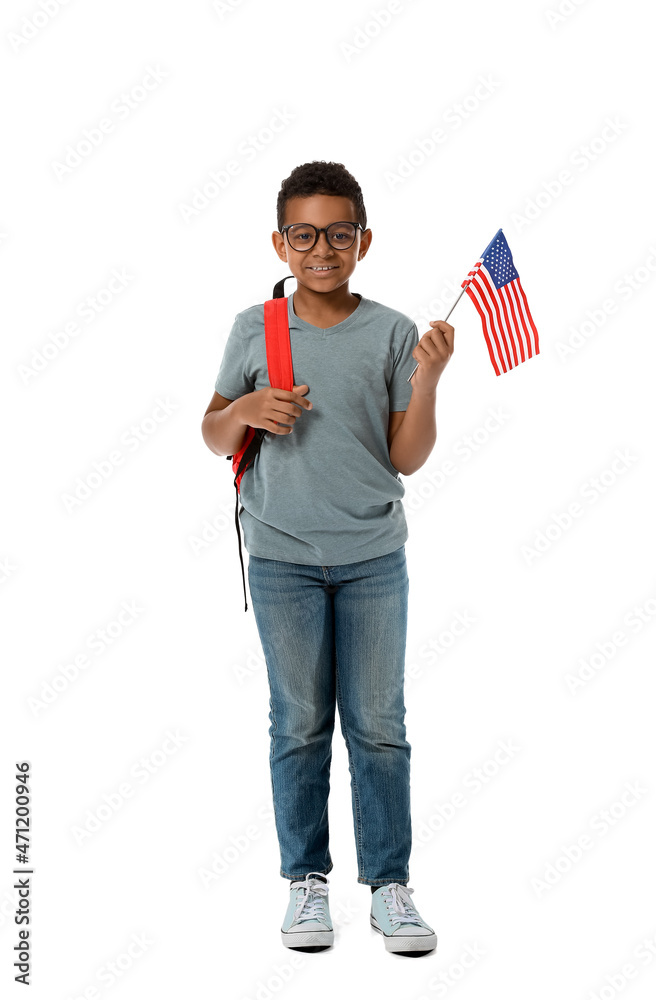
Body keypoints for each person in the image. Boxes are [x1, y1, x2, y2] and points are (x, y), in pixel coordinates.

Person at [201, 161, 454, 955]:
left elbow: (406, 457)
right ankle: (305, 883)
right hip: (281, 558)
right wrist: (243, 408)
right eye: (303, 235)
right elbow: (214, 436)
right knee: (299, 722)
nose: (321, 250)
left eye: (338, 234)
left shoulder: (390, 331)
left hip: (373, 556)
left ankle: (389, 886)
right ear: (280, 242)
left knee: (378, 724)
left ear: (362, 241)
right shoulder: (255, 327)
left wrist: (430, 375)